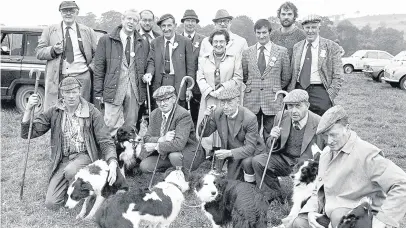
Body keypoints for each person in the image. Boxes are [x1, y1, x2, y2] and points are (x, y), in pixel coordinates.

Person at [292, 105, 406, 228]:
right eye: (325, 136)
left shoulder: (366, 153)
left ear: (347, 128)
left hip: (362, 217)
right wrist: (311, 210)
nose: (329, 141)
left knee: (338, 215)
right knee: (300, 223)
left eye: (333, 135)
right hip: (332, 213)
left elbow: (402, 183)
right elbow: (320, 189)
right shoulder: (326, 153)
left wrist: (382, 221)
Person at [20, 77, 118, 209]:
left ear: (79, 92)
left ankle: (83, 188)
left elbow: (106, 141)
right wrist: (28, 109)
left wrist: (112, 162)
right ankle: (72, 188)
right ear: (62, 94)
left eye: (74, 92)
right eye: (67, 92)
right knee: (51, 203)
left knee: (70, 171)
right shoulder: (54, 111)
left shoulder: (92, 112)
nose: (71, 96)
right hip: (64, 159)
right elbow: (28, 133)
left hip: (85, 156)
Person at [251, 89, 324, 201]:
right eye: (290, 106)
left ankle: (309, 197)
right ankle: (273, 195)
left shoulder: (319, 122)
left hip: (306, 163)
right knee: (259, 161)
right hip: (285, 160)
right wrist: (273, 138)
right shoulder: (281, 116)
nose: (293, 111)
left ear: (307, 105)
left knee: (306, 198)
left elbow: (324, 151)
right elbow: (270, 149)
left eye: (298, 106)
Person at [93, 9, 150, 136]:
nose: (131, 22)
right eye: (129, 19)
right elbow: (99, 67)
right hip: (113, 88)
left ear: (138, 23)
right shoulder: (106, 40)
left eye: (135, 20)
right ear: (122, 19)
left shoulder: (143, 42)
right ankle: (110, 153)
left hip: (134, 89)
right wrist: (98, 91)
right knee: (110, 124)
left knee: (131, 125)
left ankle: (127, 154)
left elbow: (147, 65)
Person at [36, 1, 98, 110]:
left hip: (82, 78)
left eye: (71, 11)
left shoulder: (88, 31)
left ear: (77, 12)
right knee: (58, 111)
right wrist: (53, 50)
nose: (68, 13)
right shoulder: (50, 30)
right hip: (59, 78)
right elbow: (39, 52)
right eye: (65, 10)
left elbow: (97, 55)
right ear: (60, 12)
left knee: (81, 111)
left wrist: (89, 69)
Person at [199, 87, 266, 181]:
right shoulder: (218, 113)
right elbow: (204, 134)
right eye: (223, 102)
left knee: (247, 164)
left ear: (237, 101)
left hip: (252, 153)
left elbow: (250, 148)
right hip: (233, 154)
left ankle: (252, 183)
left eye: (229, 102)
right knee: (231, 183)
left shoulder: (250, 118)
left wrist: (229, 153)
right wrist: (206, 117)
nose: (225, 106)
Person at [196, 29, 244, 157]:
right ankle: (207, 152)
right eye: (215, 41)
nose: (218, 44)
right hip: (209, 97)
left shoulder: (234, 58)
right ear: (211, 43)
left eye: (222, 41)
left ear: (226, 43)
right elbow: (200, 78)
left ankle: (225, 151)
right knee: (209, 122)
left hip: (227, 97)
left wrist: (222, 89)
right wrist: (210, 91)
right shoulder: (204, 59)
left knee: (226, 122)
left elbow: (238, 77)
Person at [242, 19, 291, 141]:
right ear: (255, 33)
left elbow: (285, 77)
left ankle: (270, 157)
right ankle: (252, 158)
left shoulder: (281, 52)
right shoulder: (247, 52)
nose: (261, 36)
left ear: (270, 32)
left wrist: (274, 88)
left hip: (272, 100)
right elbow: (245, 75)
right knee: (250, 134)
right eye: (258, 33)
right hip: (252, 100)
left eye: (264, 32)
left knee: (271, 134)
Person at [140, 86, 205, 173]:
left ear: (174, 99)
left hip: (186, 153)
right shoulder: (154, 114)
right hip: (165, 153)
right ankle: (173, 169)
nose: (162, 104)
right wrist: (162, 139)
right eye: (159, 101)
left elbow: (179, 144)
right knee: (145, 166)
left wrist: (156, 146)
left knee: (174, 156)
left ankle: (183, 173)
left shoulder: (183, 114)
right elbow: (147, 138)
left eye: (166, 99)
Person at [288, 15, 343, 116]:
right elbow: (293, 72)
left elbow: (338, 76)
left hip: (320, 91)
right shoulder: (297, 47)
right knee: (299, 124)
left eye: (313, 27)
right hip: (299, 89)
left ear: (319, 28)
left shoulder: (331, 47)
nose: (310, 31)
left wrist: (329, 96)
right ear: (303, 28)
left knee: (320, 126)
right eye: (307, 27)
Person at [144, 14, 194, 109]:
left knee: (177, 116)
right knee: (160, 114)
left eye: (169, 25)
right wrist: (149, 73)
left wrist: (189, 88)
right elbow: (151, 62)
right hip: (160, 83)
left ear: (175, 25)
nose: (166, 29)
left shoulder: (185, 42)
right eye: (163, 26)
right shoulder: (155, 42)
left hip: (178, 84)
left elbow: (190, 67)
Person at [180, 9, 206, 126]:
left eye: (193, 21)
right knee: (181, 115)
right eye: (187, 21)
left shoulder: (204, 40)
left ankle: (196, 140)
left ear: (196, 23)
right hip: (180, 83)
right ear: (183, 22)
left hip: (198, 86)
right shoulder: (177, 39)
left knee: (196, 116)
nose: (190, 23)